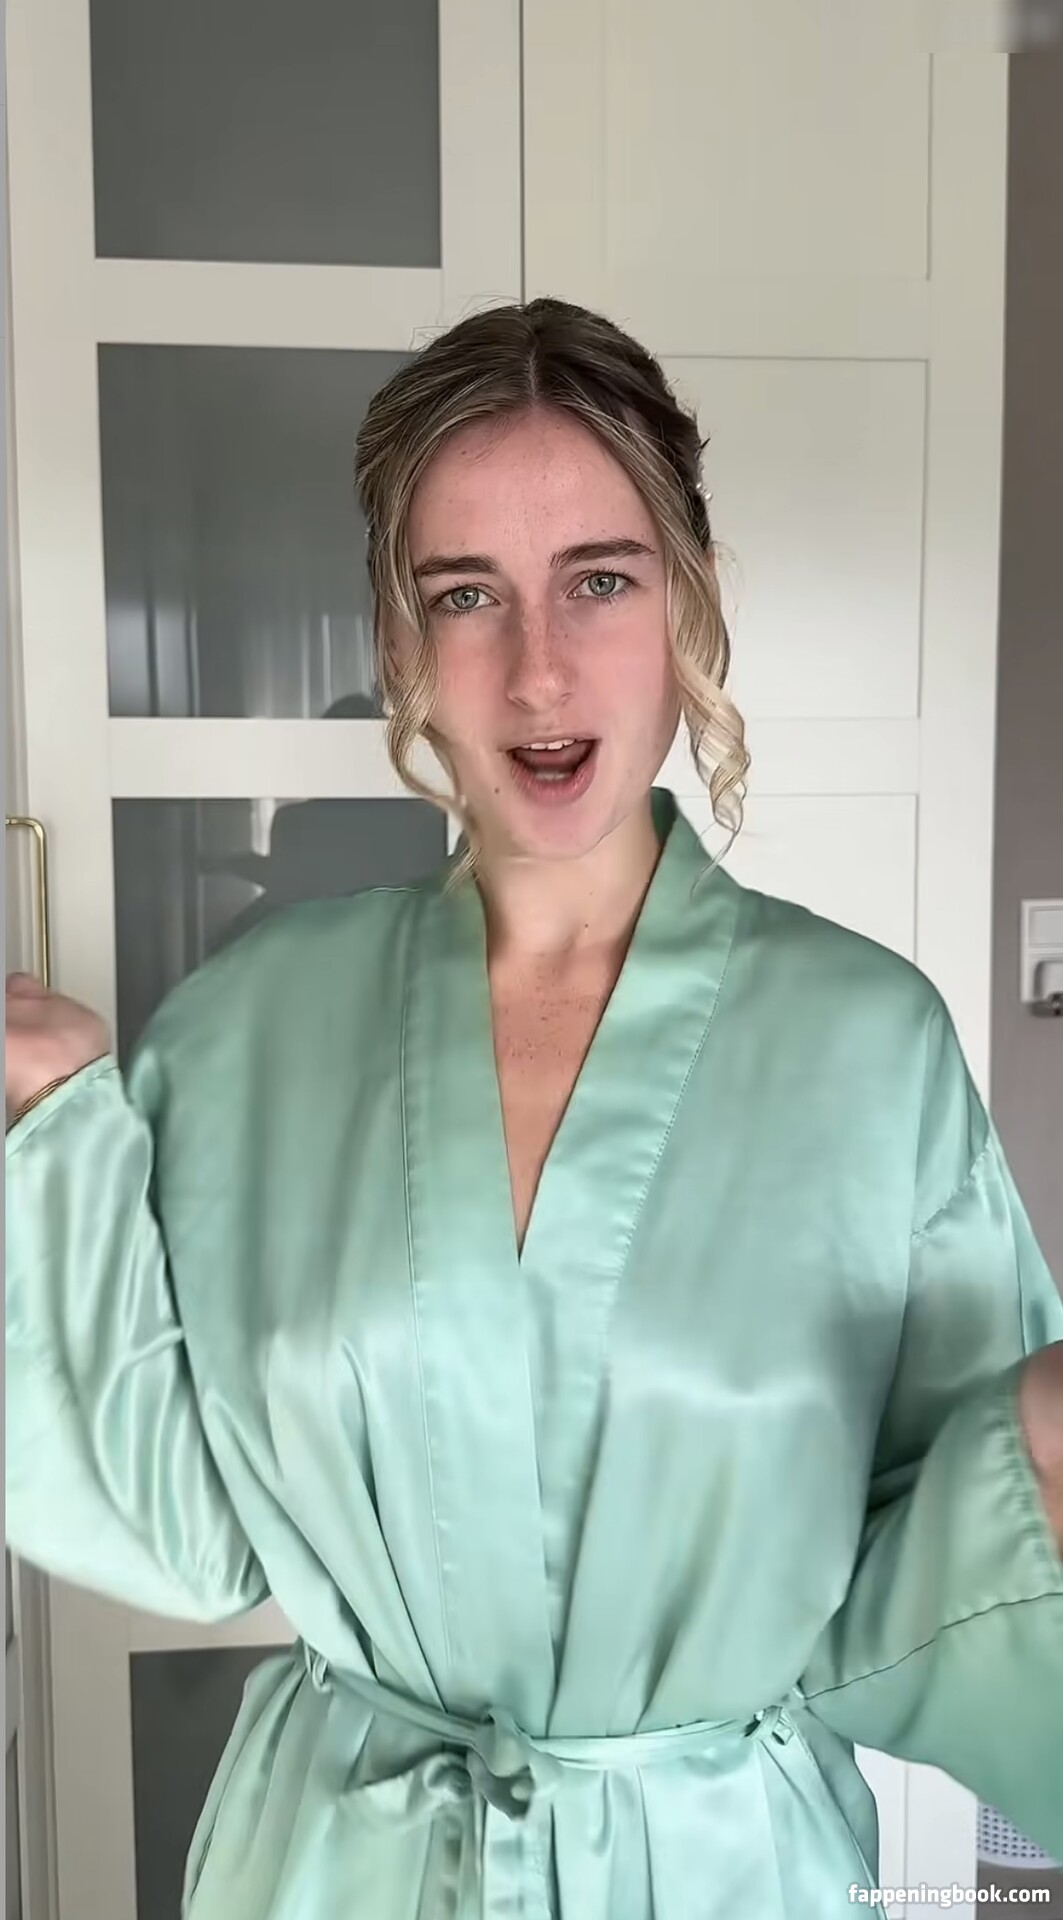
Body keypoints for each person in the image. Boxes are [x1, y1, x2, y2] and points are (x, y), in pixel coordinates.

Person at [6, 297, 1063, 1920]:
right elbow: (187, 1521)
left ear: (687, 598)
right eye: (466, 595)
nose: (539, 668)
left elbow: (925, 1586)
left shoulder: (870, 1046)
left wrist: (1040, 1456)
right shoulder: (249, 1027)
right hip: (341, 1867)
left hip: (719, 1874)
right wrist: (47, 1127)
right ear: (402, 644)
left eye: (600, 580)